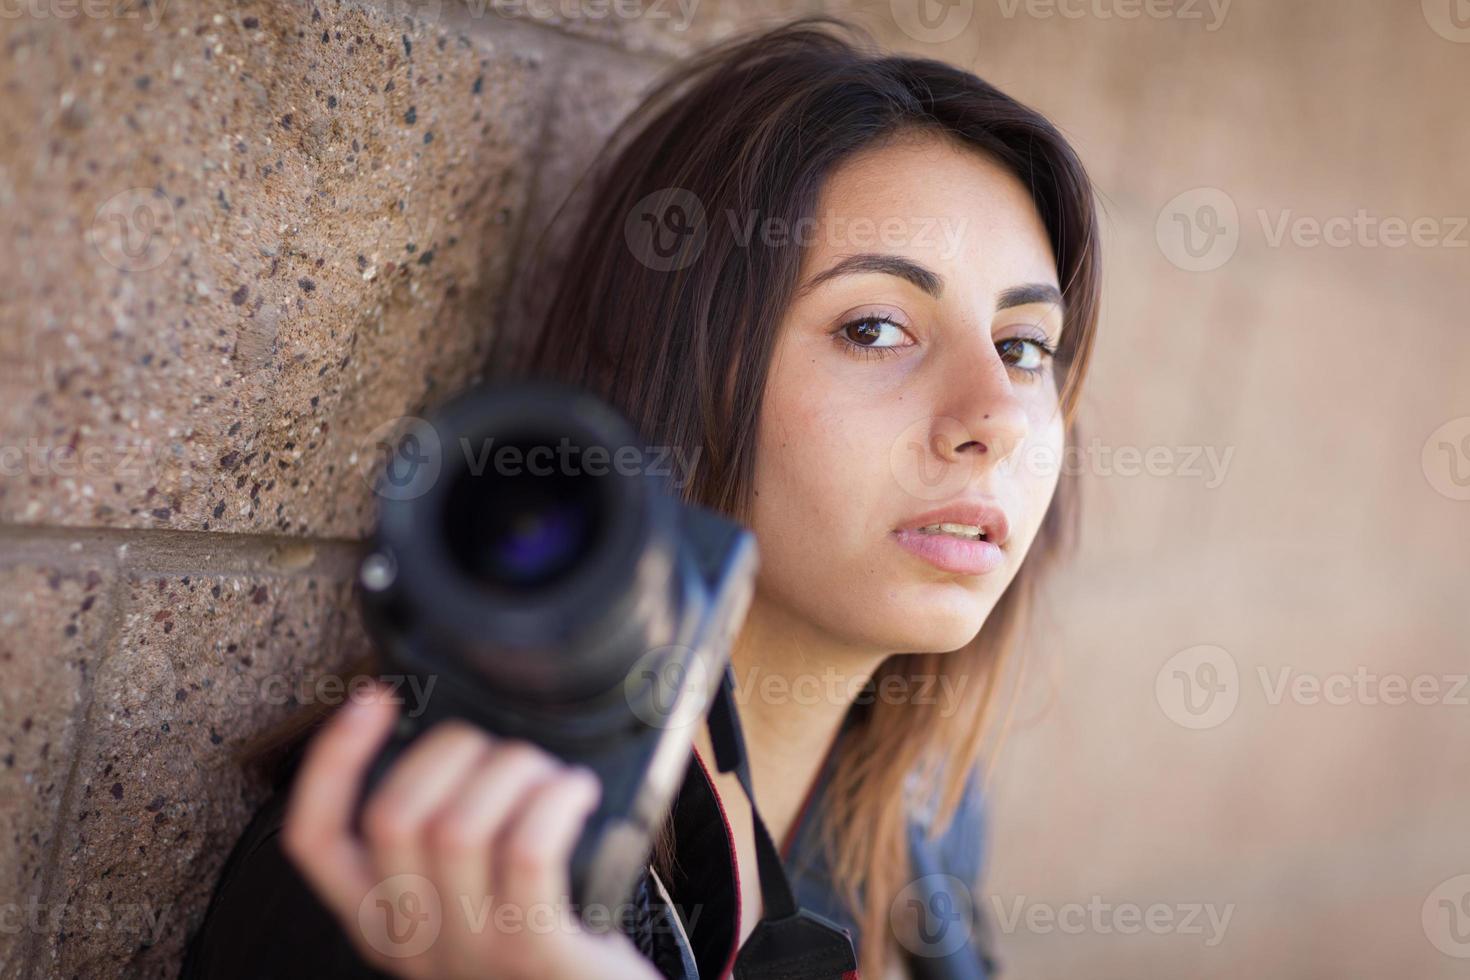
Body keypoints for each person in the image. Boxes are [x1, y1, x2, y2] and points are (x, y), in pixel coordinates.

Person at [181, 15, 1101, 980]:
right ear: (684, 380)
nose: (993, 415)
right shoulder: (440, 864)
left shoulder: (925, 824)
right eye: (875, 329)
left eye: (1025, 346)